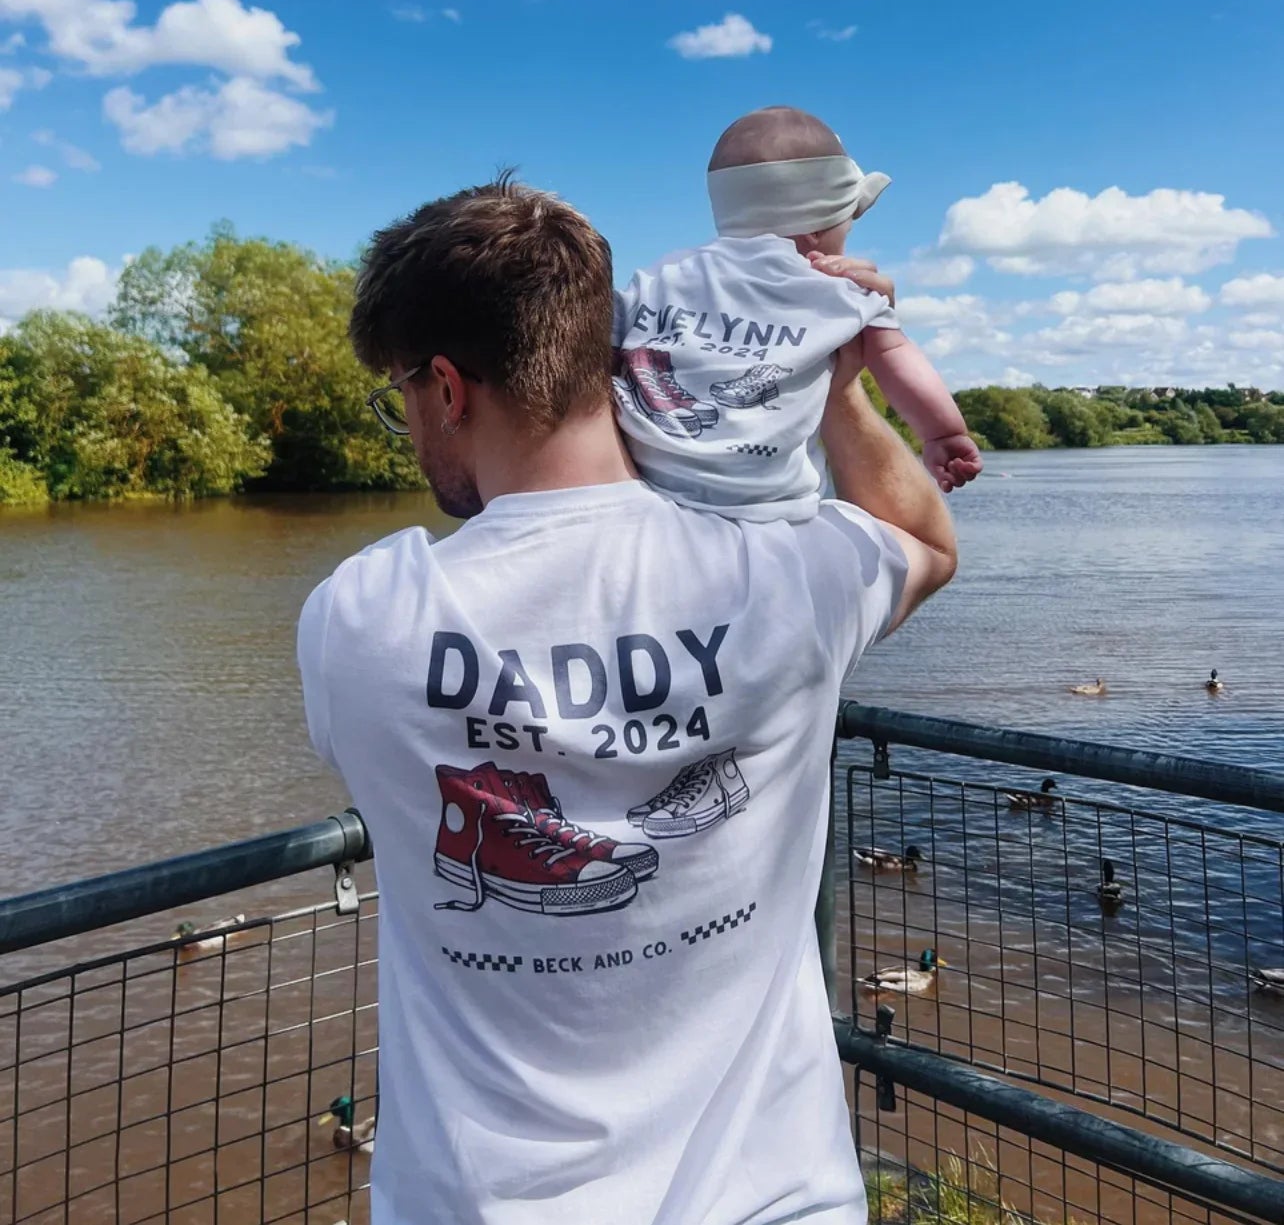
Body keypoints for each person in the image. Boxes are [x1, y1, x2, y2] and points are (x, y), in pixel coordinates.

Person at [297, 176, 957, 1225]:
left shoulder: (361, 619)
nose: (411, 424)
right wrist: (835, 384)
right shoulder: (781, 577)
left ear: (450, 388)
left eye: (404, 398)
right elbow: (925, 542)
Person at [614, 105, 983, 516]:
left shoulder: (659, 277)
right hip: (769, 508)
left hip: (645, 492)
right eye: (848, 223)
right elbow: (897, 357)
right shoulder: (839, 290)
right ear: (818, 229)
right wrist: (943, 434)